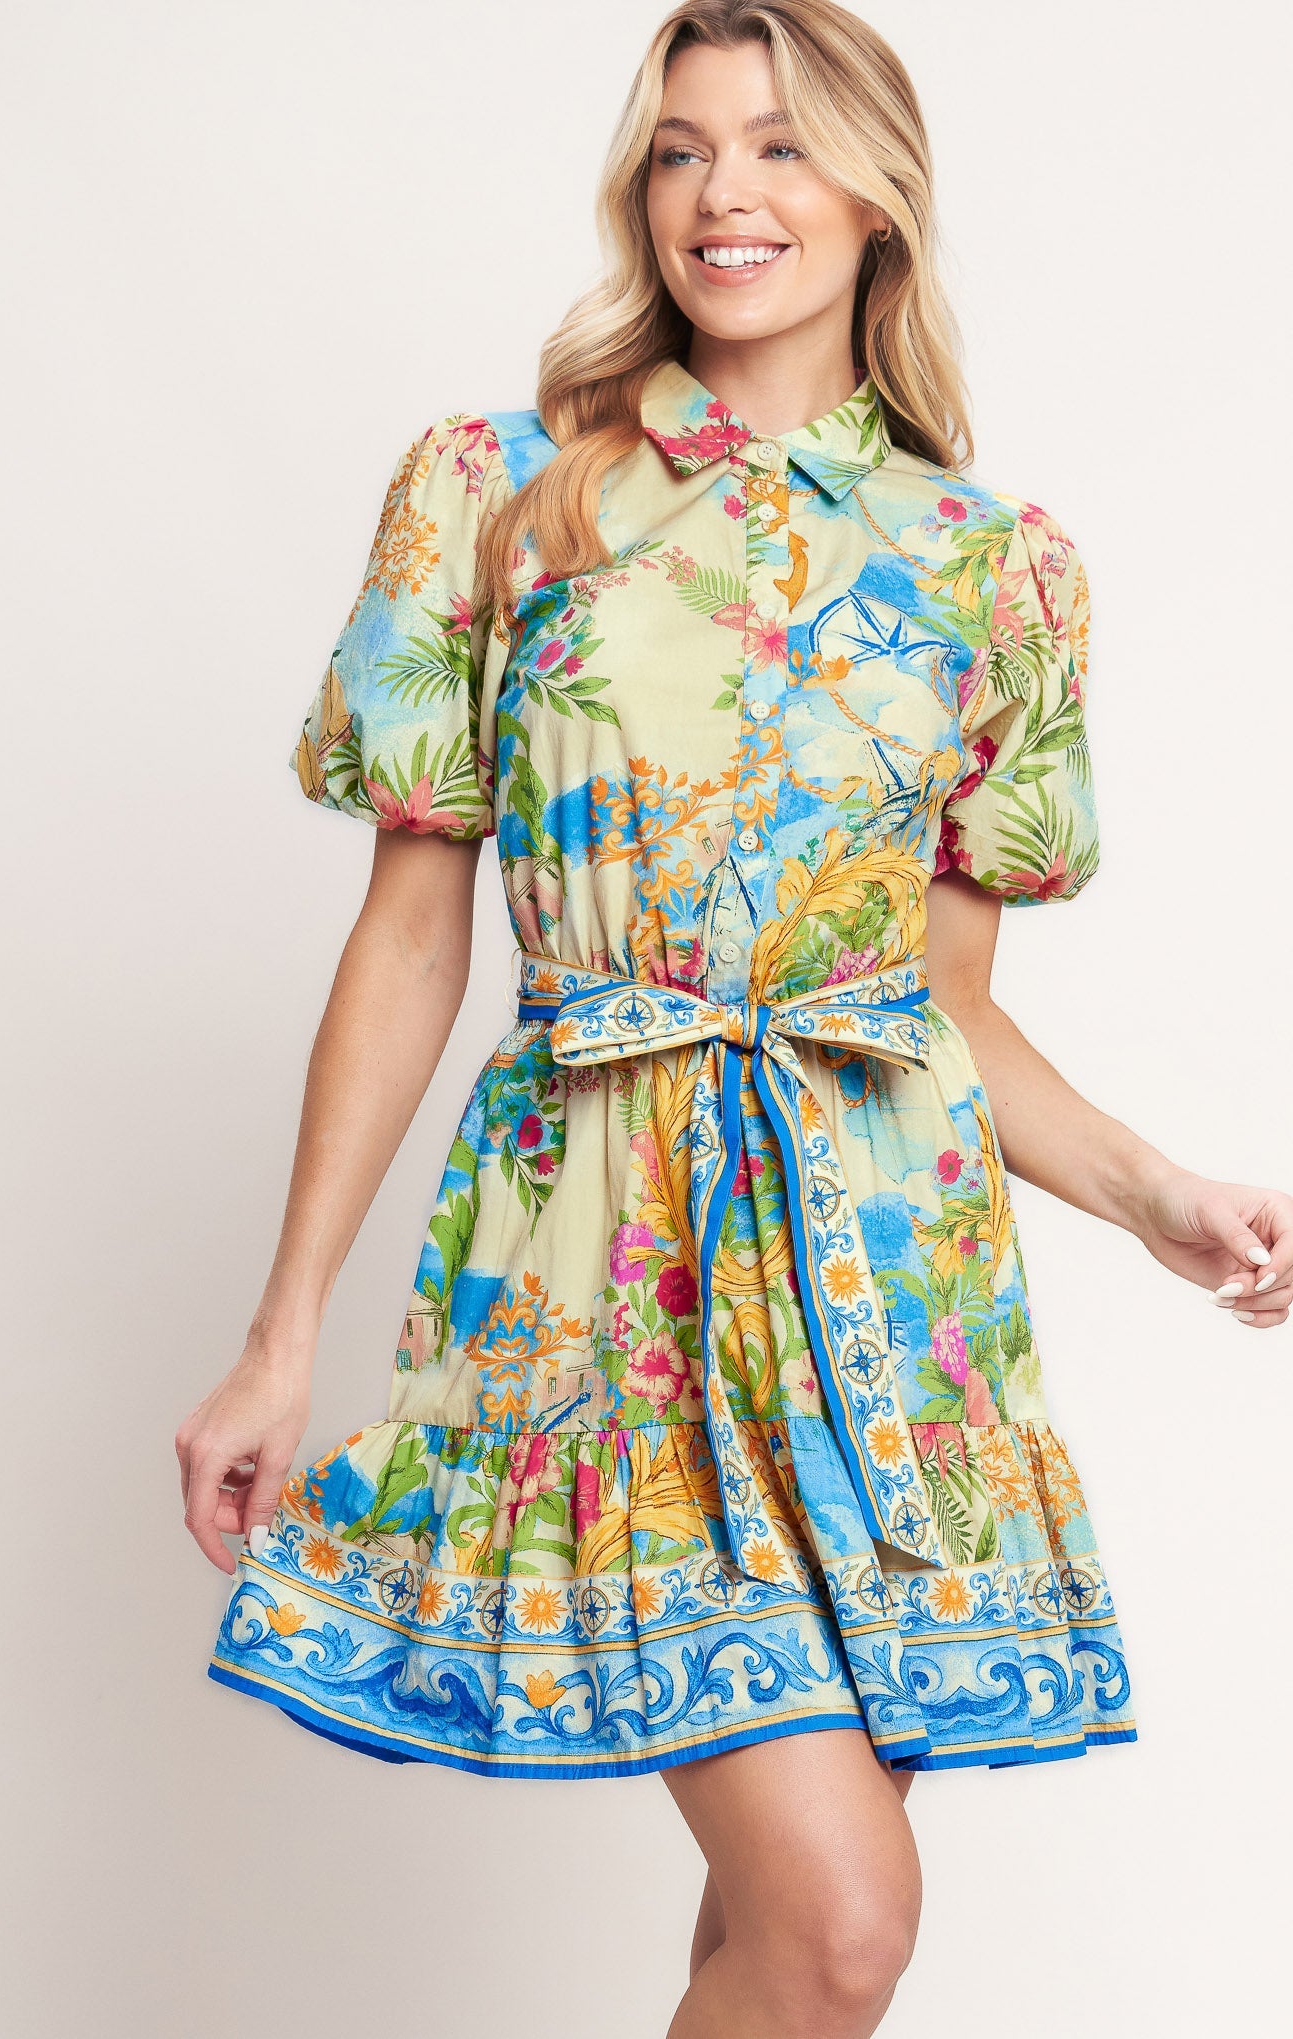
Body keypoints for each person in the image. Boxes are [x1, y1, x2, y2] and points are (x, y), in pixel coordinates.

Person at [176, 4, 1291, 2033]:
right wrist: (281, 1334)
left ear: (875, 196)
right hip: (605, 1266)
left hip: (880, 1303)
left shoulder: (995, 575)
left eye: (773, 148)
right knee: (840, 1919)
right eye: (678, 154)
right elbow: (411, 942)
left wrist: (1154, 1193)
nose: (721, 197)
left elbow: (938, 1016)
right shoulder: (500, 498)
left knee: (774, 1937)